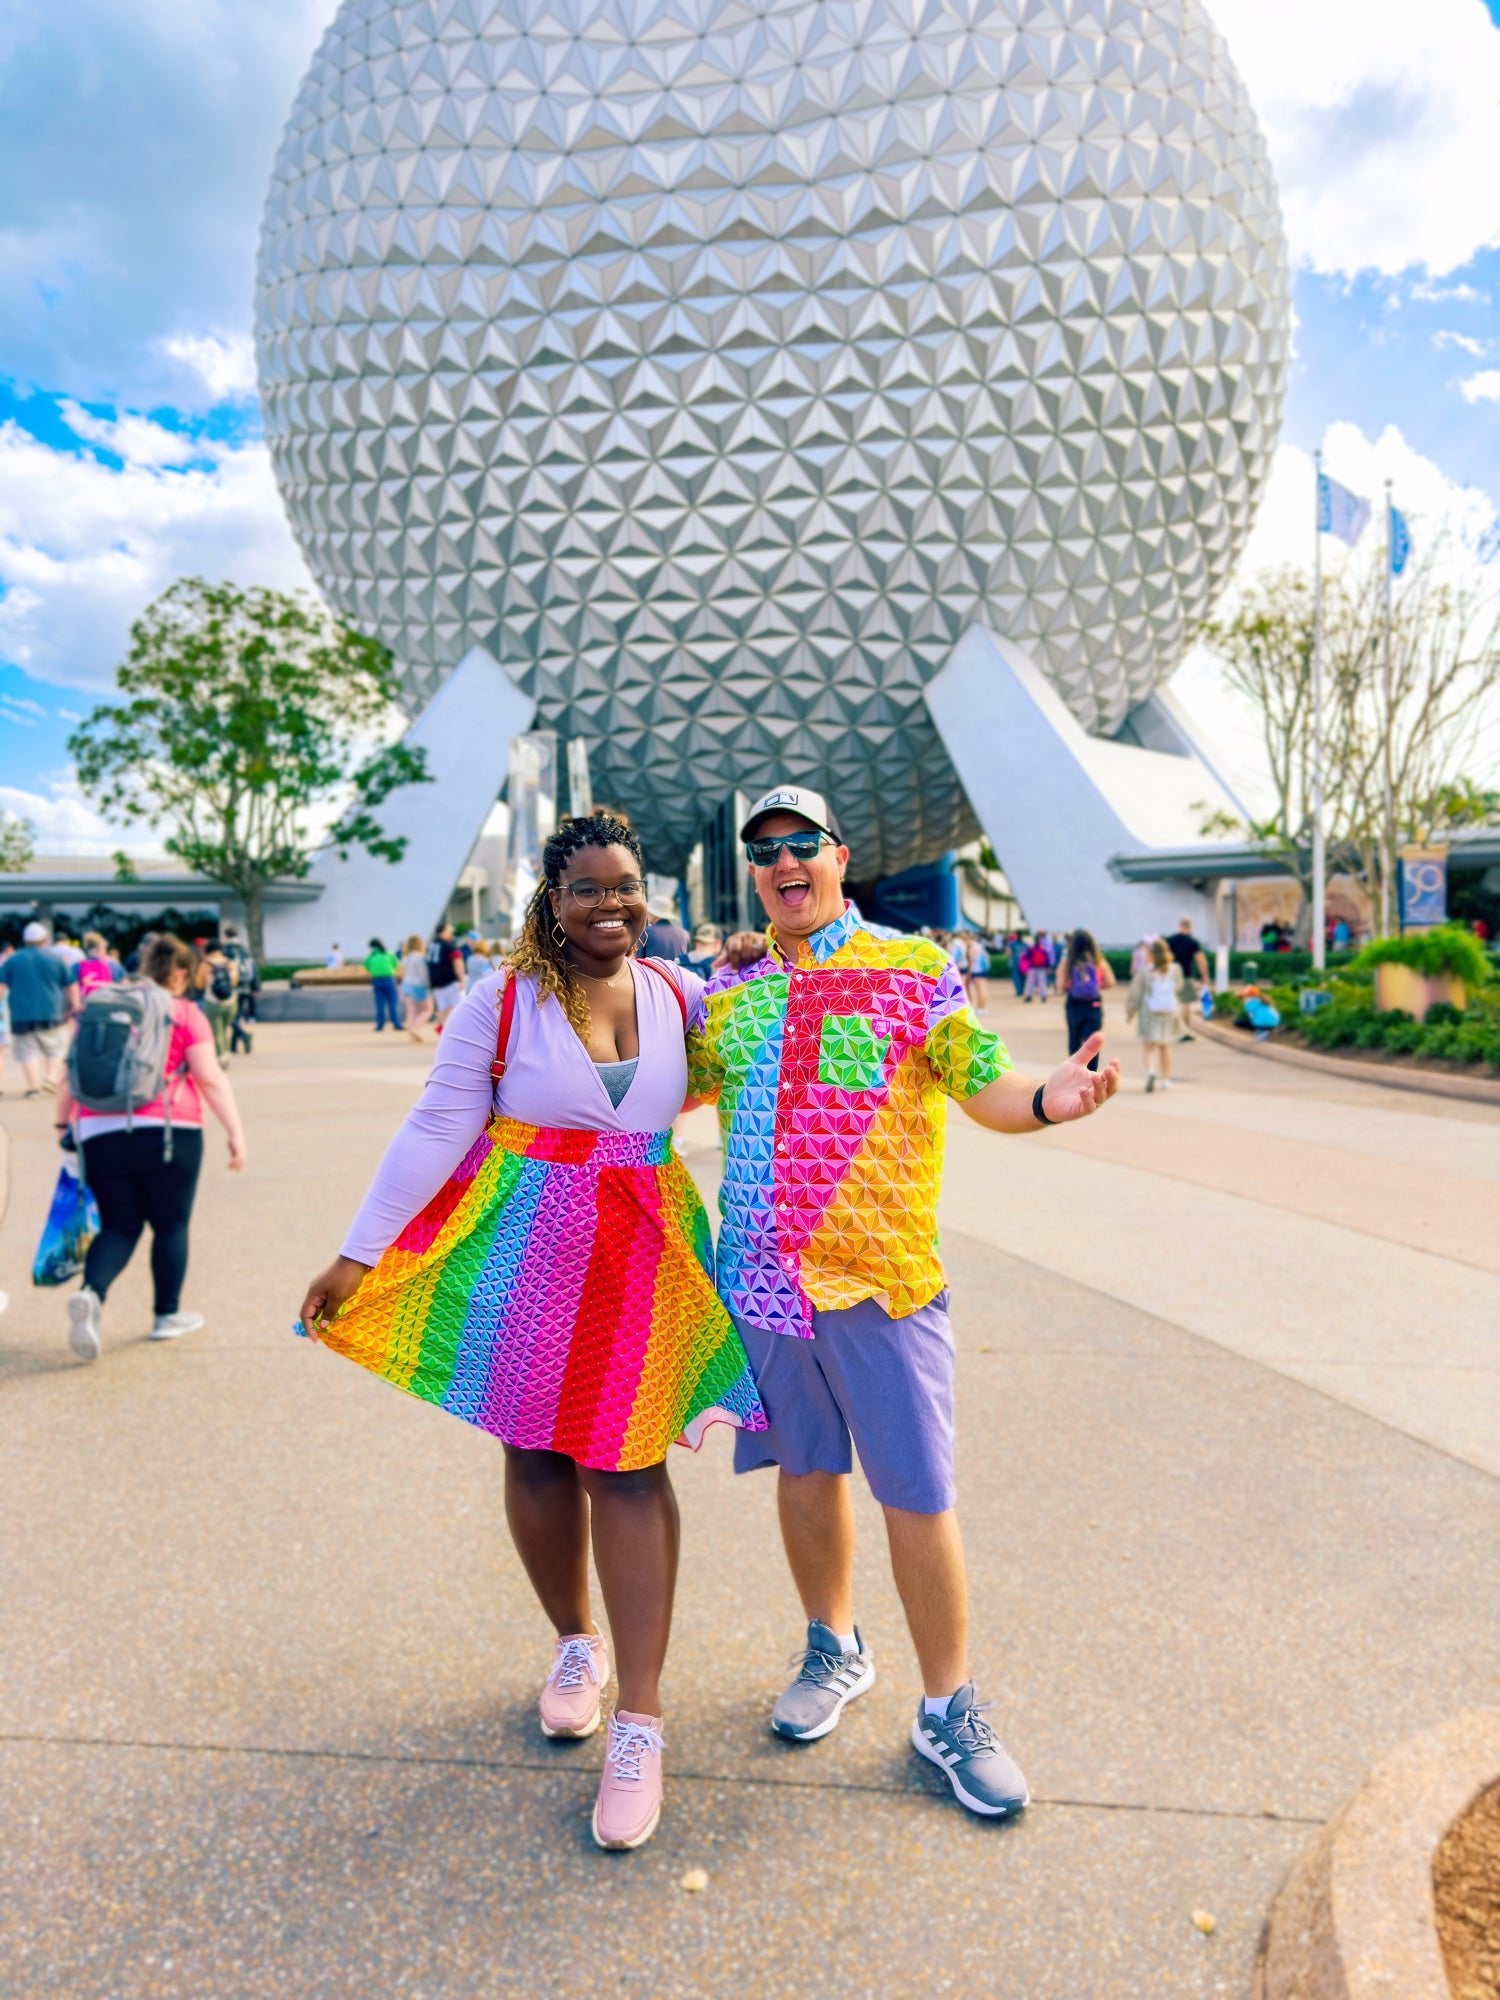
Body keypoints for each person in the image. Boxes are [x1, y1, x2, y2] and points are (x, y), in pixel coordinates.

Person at [297, 814, 767, 1853]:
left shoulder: (682, 993)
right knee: (539, 1450)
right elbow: (434, 1126)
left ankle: (639, 1718)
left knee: (632, 1468)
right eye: (589, 888)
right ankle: (573, 1643)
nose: (613, 904)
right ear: (549, 902)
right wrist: (357, 1252)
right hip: (525, 1242)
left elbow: (764, 1061)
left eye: (628, 885)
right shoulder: (501, 1000)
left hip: (644, 1243)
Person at [688, 785, 1119, 1821]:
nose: (785, 862)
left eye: (803, 845)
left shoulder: (913, 966)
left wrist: (1048, 1099)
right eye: (766, 851)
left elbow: (982, 1081)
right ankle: (834, 1646)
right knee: (805, 1467)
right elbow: (666, 1089)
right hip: (761, 1279)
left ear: (841, 856)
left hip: (882, 1277)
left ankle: (948, 1707)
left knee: (917, 1491)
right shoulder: (731, 995)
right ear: (754, 875)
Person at [57, 933, 248, 1361]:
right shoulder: (183, 1012)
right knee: (170, 1224)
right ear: (179, 973)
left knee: (119, 1225)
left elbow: (69, 1073)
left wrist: (61, 1124)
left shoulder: (98, 1006)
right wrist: (235, 1132)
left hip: (97, 1131)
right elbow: (211, 1078)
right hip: (167, 1130)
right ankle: (166, 1315)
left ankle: (92, 1294)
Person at [0, 920, 78, 1096]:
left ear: (25, 941)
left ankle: (33, 1087)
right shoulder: (57, 959)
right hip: (54, 1012)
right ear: (45, 939)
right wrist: (75, 1005)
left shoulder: (13, 960)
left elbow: (1, 988)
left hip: (21, 1014)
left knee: (27, 1051)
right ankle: (50, 1079)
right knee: (56, 1049)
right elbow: (71, 987)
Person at [1126, 936, 1182, 1092]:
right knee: (1165, 1046)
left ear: (1151, 954)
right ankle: (1165, 1079)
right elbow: (1178, 988)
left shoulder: (1145, 971)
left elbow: (1135, 992)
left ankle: (1151, 1072)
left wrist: (1130, 1011)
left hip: (1149, 1012)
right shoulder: (1175, 969)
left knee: (1149, 1046)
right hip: (1168, 1012)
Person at [1058, 929, 1116, 1064]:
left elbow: (1061, 985)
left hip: (1074, 1005)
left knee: (1074, 1039)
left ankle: (1074, 1072)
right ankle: (1091, 1073)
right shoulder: (1099, 963)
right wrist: (1094, 987)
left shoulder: (1067, 963)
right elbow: (1111, 982)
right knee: (1092, 1042)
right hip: (1093, 1005)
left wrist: (1075, 987)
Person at [1166, 918, 1210, 1042]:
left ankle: (1173, 1030)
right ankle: (1184, 1031)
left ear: (1179, 925)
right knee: (1185, 1004)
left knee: (1173, 1004)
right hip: (1186, 976)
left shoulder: (1169, 940)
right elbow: (1200, 960)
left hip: (1170, 977)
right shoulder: (1193, 942)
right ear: (1190, 927)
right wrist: (1204, 976)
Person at [197, 940, 239, 1061]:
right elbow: (235, 981)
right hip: (230, 1002)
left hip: (212, 1002)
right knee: (225, 1029)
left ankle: (221, 1057)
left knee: (216, 1030)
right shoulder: (230, 964)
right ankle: (226, 1052)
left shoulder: (205, 965)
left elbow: (199, 984)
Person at [425, 922, 466, 1032]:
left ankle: (440, 1027)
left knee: (443, 1007)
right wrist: (462, 979)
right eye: (450, 930)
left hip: (436, 982)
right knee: (460, 1005)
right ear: (444, 931)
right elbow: (458, 962)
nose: (452, 932)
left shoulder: (431, 945)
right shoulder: (449, 945)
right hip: (450, 981)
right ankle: (454, 1029)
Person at [398, 932, 432, 1040]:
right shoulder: (419, 957)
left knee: (411, 1010)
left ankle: (410, 1029)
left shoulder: (405, 958)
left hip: (406, 985)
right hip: (418, 985)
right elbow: (423, 973)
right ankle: (415, 1029)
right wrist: (428, 985)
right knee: (428, 1009)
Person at [364, 937, 401, 1032]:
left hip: (376, 980)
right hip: (389, 979)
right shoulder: (389, 954)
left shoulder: (371, 956)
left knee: (379, 1004)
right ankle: (397, 1024)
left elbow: (367, 966)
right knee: (393, 1003)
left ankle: (380, 1025)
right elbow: (396, 964)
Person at [640, 896, 691, 963]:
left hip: (654, 972)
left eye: (648, 912)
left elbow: (637, 961)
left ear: (654, 914)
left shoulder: (646, 933)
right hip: (678, 972)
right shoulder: (684, 934)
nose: (646, 915)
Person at [77, 932, 120, 996]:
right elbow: (123, 984)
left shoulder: (78, 965)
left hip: (87, 1001)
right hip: (105, 999)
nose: (105, 951)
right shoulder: (112, 965)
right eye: (104, 948)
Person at [1022, 932, 1052, 1002]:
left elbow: (1026, 957)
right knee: (1042, 982)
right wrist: (1048, 967)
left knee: (1030, 982)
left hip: (1032, 967)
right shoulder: (1043, 949)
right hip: (1041, 967)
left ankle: (1028, 996)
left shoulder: (1031, 948)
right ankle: (1043, 996)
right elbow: (1047, 959)